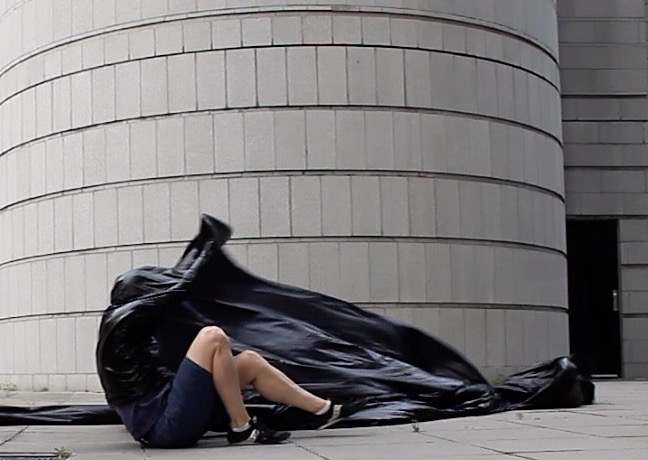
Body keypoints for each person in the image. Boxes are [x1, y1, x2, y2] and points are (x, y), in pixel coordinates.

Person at [108, 323, 350, 448]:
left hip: (177, 409)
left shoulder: (150, 337)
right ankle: (241, 426)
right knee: (212, 336)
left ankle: (323, 410)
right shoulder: (115, 352)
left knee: (250, 361)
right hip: (165, 428)